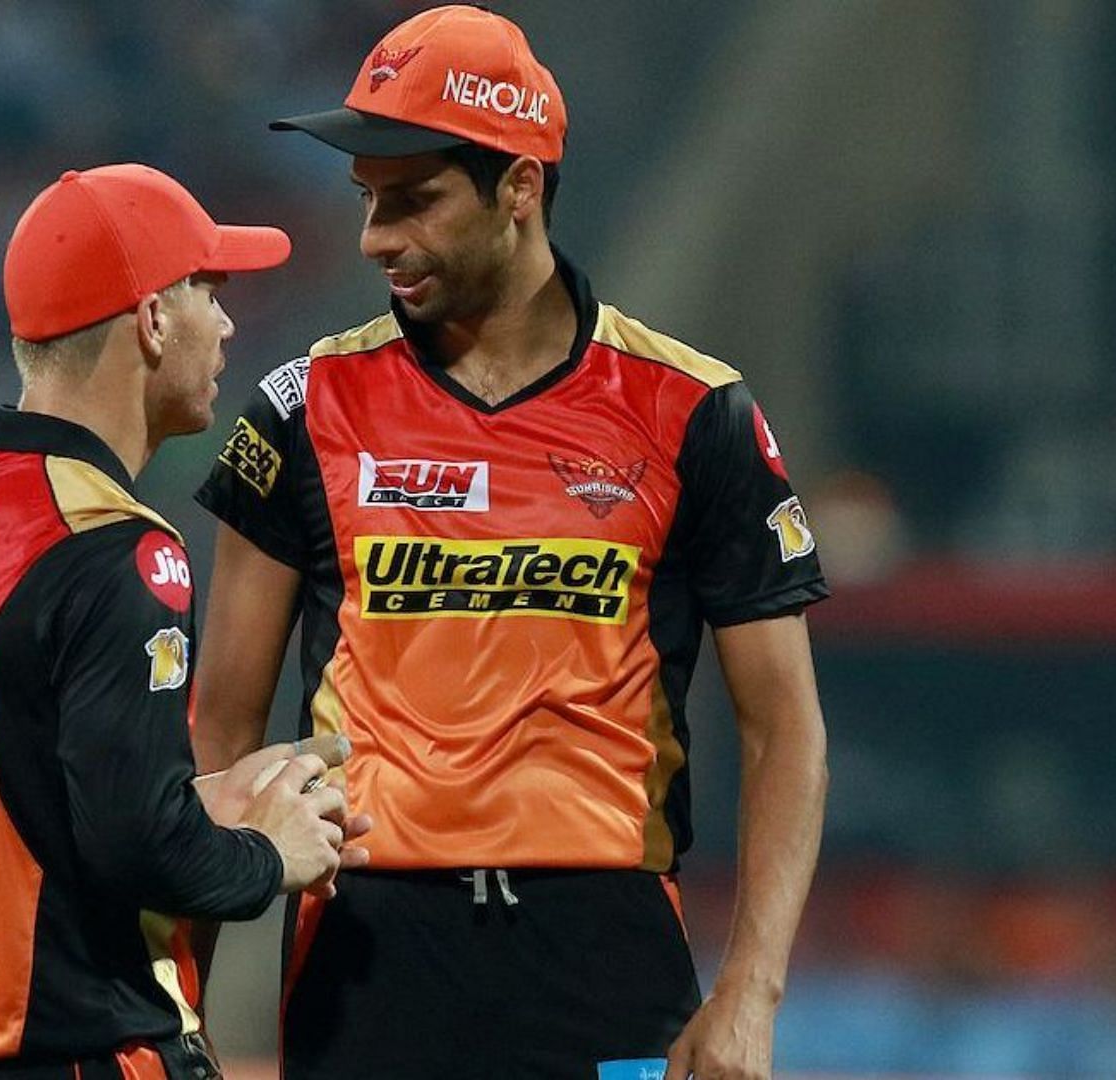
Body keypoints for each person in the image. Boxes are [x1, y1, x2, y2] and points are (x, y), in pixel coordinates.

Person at [191, 7, 830, 1078]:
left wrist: (751, 996)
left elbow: (785, 731)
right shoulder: (298, 410)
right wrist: (183, 1002)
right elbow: (220, 722)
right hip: (367, 956)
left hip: (606, 955)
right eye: (367, 202)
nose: (375, 237)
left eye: (415, 200)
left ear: (521, 187)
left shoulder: (693, 409)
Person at [0, 163, 369, 1080]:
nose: (227, 324)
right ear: (150, 320)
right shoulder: (118, 547)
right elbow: (136, 845)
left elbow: (30, 798)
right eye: (209, 292)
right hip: (65, 1044)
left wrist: (196, 799)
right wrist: (266, 853)